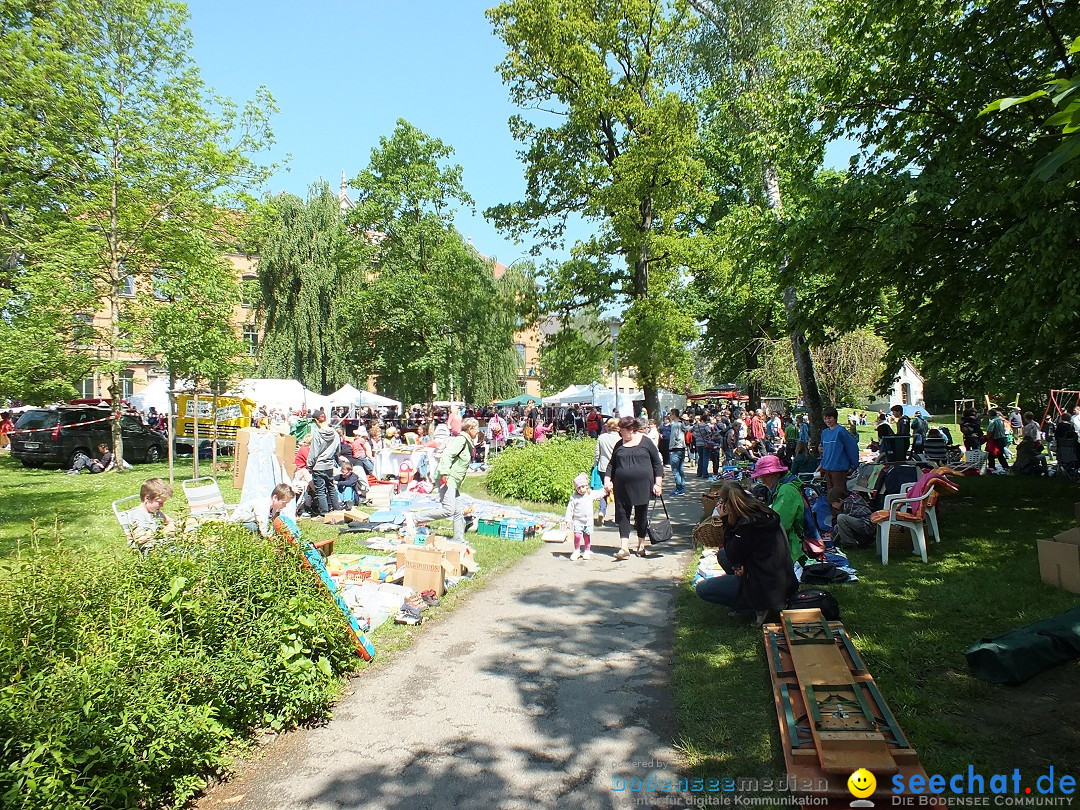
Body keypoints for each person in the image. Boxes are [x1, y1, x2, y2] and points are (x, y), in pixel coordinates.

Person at [693, 481, 798, 625]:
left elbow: (733, 553)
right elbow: (747, 551)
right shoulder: (762, 513)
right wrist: (742, 565)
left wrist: (725, 520)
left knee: (703, 589)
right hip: (783, 579)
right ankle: (756, 600)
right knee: (722, 555)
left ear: (726, 504)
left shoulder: (747, 526)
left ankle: (758, 606)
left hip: (766, 588)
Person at [405, 418, 480, 544]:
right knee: (448, 510)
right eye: (476, 428)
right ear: (470, 429)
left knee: (458, 511)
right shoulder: (461, 440)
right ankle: (414, 518)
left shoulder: (467, 441)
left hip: (453, 480)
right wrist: (445, 473)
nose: (478, 431)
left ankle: (458, 539)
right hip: (447, 478)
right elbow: (447, 455)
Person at [604, 416, 663, 560]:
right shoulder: (619, 444)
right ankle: (624, 547)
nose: (620, 434)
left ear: (631, 430)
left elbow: (657, 464)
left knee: (641, 516)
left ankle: (641, 545)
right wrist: (607, 479)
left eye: (622, 431)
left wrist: (658, 483)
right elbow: (612, 464)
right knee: (623, 514)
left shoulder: (646, 442)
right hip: (622, 486)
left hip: (643, 486)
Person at [750, 454, 807, 565]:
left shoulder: (786, 491)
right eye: (761, 476)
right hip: (784, 541)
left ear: (776, 474)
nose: (762, 480)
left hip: (790, 547)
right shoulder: (780, 488)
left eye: (765, 476)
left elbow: (781, 525)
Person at [126, 478, 177, 553]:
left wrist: (171, 526)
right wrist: (162, 532)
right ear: (147, 498)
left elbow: (172, 521)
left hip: (162, 547)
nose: (162, 506)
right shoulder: (137, 515)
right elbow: (139, 539)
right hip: (150, 551)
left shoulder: (156, 512)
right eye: (159, 503)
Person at [307, 410, 342, 515]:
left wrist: (310, 464)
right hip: (329, 465)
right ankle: (337, 509)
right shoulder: (335, 433)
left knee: (320, 490)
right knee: (331, 487)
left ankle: (324, 512)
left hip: (318, 465)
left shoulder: (317, 434)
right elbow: (338, 451)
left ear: (316, 421)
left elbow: (314, 452)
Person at [818, 407, 859, 495]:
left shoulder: (841, 431)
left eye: (829, 418)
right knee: (830, 495)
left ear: (835, 418)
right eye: (825, 418)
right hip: (827, 468)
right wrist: (822, 463)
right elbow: (823, 449)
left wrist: (853, 465)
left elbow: (852, 448)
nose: (827, 421)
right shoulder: (825, 433)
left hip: (839, 469)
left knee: (839, 495)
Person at [564, 472, 604, 561]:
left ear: (586, 486)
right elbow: (570, 509)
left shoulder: (590, 494)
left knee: (587, 536)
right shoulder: (574, 497)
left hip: (588, 521)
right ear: (576, 488)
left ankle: (587, 550)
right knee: (577, 536)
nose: (581, 490)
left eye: (583, 487)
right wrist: (568, 520)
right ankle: (577, 550)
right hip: (578, 521)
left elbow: (599, 494)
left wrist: (605, 490)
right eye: (579, 488)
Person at [593, 417, 621, 524]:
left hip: (603, 467)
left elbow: (597, 453)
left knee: (604, 490)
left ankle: (602, 511)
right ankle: (618, 517)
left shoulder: (602, 437)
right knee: (618, 492)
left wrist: (595, 465)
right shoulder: (620, 439)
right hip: (617, 468)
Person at [1015, 411, 1047, 476]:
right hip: (1037, 442)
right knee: (1039, 455)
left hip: (1032, 444)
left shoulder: (1027, 427)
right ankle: (1044, 470)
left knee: (1034, 455)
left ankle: (1037, 467)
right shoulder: (1036, 424)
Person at [985, 408, 1010, 473]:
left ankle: (991, 467)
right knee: (1000, 454)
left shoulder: (993, 421)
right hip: (1002, 438)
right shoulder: (1001, 420)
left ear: (990, 415)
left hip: (995, 440)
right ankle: (1005, 466)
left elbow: (990, 432)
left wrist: (986, 438)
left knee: (991, 455)